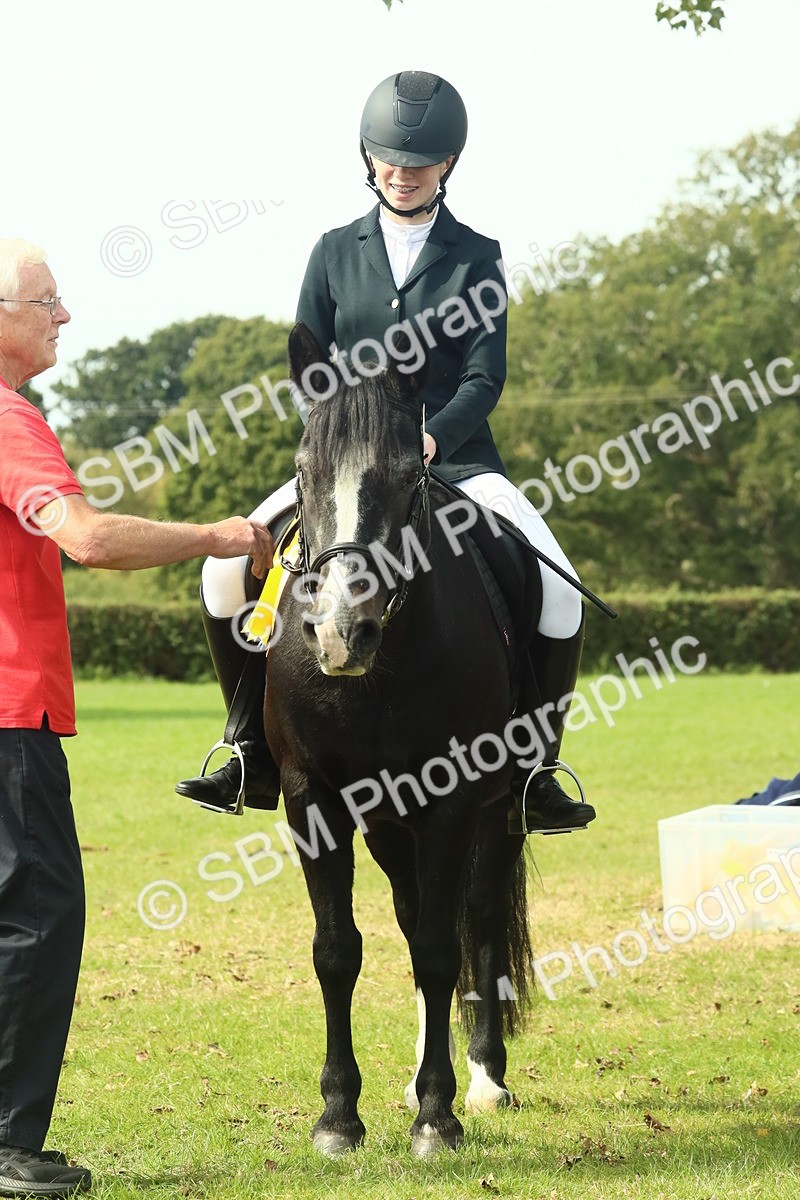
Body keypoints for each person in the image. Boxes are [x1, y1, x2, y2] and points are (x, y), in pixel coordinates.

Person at [176, 71, 595, 837]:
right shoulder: (335, 252)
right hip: (344, 465)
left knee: (562, 593)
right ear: (367, 159)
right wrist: (343, 441)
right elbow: (310, 363)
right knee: (220, 569)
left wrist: (431, 436)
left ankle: (535, 768)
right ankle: (245, 749)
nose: (403, 172)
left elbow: (484, 373)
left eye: (421, 161)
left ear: (448, 166)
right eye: (389, 158)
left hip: (458, 456)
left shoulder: (477, 255)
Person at [0, 238, 273, 1198]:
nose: (64, 314)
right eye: (46, 300)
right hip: (8, 717)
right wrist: (217, 536)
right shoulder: (9, 419)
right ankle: (7, 1145)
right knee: (36, 916)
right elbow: (86, 538)